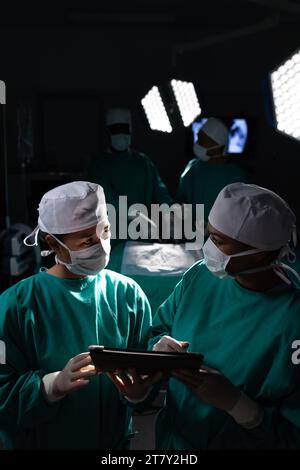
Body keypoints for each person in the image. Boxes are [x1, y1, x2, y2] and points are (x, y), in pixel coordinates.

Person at [0, 181, 159, 450]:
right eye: (87, 240)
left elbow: (143, 375)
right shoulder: (15, 305)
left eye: (105, 232)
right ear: (53, 243)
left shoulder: (127, 295)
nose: (101, 245)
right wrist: (51, 386)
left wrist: (138, 393)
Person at [149, 182, 300, 449]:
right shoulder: (199, 276)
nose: (209, 247)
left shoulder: (291, 318)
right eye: (210, 235)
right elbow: (160, 328)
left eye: (219, 242)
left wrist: (239, 406)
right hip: (176, 442)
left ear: (258, 254)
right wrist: (159, 349)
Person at [88, 108, 172, 241]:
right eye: (116, 130)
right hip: (113, 235)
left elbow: (159, 191)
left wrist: (169, 214)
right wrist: (136, 215)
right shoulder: (99, 165)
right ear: (107, 133)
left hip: (142, 234)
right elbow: (106, 197)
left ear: (131, 131)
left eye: (124, 129)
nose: (120, 134)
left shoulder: (143, 162)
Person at [176, 118, 248, 226]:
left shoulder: (236, 177)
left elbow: (240, 216)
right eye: (197, 139)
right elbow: (180, 199)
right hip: (192, 237)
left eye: (202, 141)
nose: (197, 145)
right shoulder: (193, 167)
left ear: (218, 147)